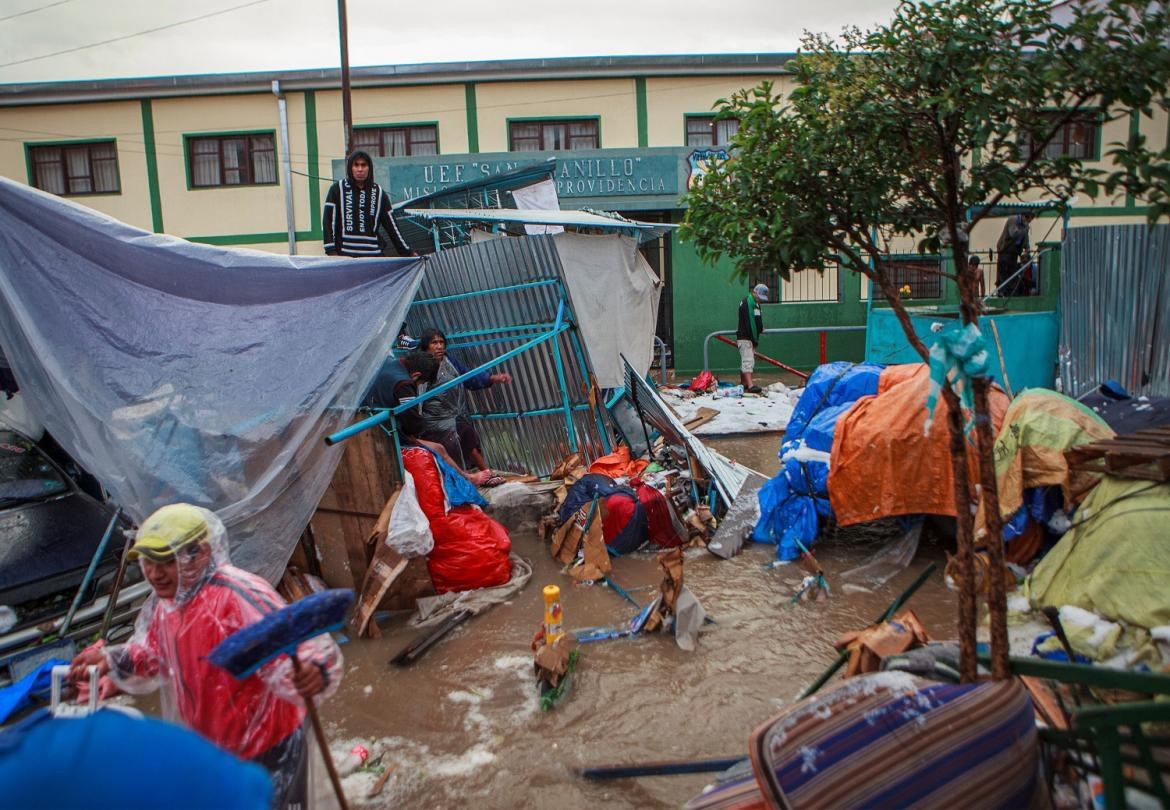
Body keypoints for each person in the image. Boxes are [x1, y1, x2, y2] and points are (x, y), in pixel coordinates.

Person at [67, 504, 342, 810]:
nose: (155, 573)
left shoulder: (236, 595)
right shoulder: (166, 605)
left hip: (270, 745)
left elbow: (301, 645)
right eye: (148, 561)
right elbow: (154, 654)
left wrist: (314, 669)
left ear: (201, 554)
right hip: (215, 745)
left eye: (167, 561)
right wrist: (112, 660)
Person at [367, 350, 492, 486]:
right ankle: (468, 478)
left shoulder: (388, 363)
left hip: (374, 422)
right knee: (439, 448)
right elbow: (413, 424)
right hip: (388, 433)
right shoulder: (404, 385)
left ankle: (468, 476)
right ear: (416, 376)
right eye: (421, 383)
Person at [416, 328, 512, 478]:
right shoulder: (421, 365)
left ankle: (483, 473)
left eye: (441, 342)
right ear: (426, 346)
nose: (439, 346)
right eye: (434, 343)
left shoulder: (450, 362)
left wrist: (492, 378)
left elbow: (469, 377)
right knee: (461, 437)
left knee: (467, 437)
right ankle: (482, 474)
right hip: (432, 421)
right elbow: (417, 397)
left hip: (454, 416)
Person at [322, 150, 414, 258]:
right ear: (350, 168)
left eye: (363, 165)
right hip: (345, 257)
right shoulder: (337, 189)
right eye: (356, 165)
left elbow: (392, 227)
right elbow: (328, 222)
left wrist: (408, 253)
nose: (360, 169)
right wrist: (331, 251)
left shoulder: (379, 193)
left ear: (369, 168)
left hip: (373, 257)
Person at [736, 283, 768, 394]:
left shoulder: (755, 304)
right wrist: (754, 340)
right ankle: (750, 385)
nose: (761, 300)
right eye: (759, 297)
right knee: (748, 360)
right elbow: (751, 324)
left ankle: (744, 383)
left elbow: (757, 322)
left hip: (749, 337)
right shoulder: (747, 304)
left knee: (747, 360)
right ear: (754, 292)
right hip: (746, 337)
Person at [995, 212, 1034, 296]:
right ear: (1024, 216)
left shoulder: (1025, 226)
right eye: (1028, 220)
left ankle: (1011, 292)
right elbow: (1013, 234)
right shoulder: (1013, 220)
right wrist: (1024, 229)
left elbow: (1025, 238)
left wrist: (1027, 247)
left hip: (1015, 251)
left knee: (1012, 272)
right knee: (1003, 270)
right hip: (1005, 249)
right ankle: (1001, 291)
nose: (1028, 222)